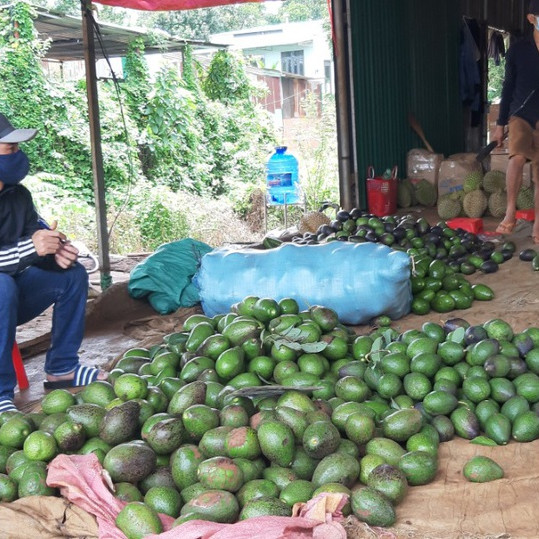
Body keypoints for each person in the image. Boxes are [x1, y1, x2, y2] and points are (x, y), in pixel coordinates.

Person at [0, 113, 107, 413]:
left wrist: (54, 250)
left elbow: (35, 231)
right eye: (10, 149)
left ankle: (62, 368)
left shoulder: (18, 195)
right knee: (3, 285)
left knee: (71, 275)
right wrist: (29, 248)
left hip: (9, 301)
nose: (17, 156)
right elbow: (23, 249)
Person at [493, 0, 539, 242]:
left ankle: (538, 223)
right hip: (520, 114)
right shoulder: (518, 51)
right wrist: (500, 124)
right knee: (517, 158)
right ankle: (510, 212)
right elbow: (507, 86)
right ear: (532, 18)